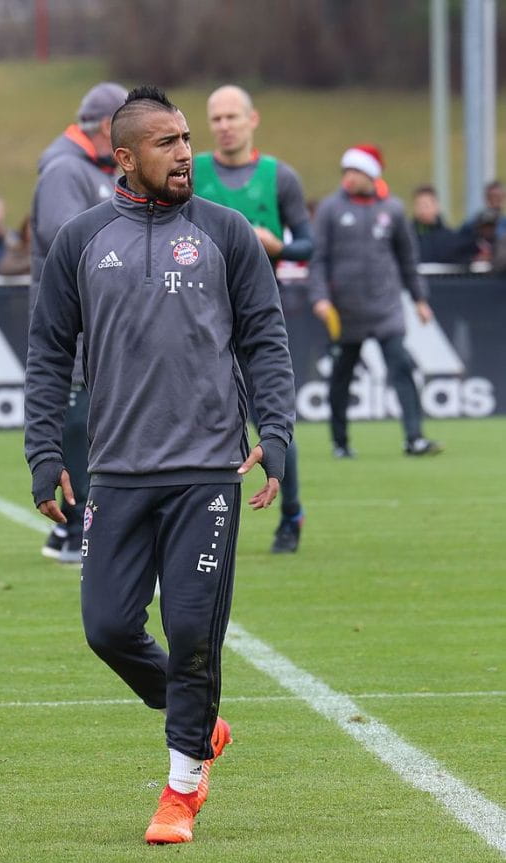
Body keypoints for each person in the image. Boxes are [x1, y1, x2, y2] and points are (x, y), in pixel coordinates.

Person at [24, 86, 295, 844]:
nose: (186, 153)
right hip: (116, 471)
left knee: (192, 629)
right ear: (124, 157)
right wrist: (45, 453)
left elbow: (265, 338)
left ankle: (180, 790)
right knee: (108, 628)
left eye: (187, 139)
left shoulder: (227, 232)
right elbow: (48, 353)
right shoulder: (80, 241)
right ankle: (200, 721)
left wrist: (275, 430)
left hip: (207, 470)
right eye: (169, 142)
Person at [194, 84, 313, 554]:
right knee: (202, 421)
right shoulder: (193, 171)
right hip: (201, 318)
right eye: (216, 119)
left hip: (261, 316)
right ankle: (198, 521)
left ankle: (290, 514)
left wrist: (279, 246)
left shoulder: (279, 177)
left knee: (273, 420)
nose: (224, 126)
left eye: (232, 117)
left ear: (252, 120)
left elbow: (309, 243)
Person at [30, 81, 128, 564]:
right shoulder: (66, 169)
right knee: (74, 418)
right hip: (73, 321)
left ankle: (75, 530)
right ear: (109, 125)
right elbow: (65, 239)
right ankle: (72, 527)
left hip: (95, 318)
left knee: (91, 418)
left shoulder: (91, 167)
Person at [309, 144, 443, 458]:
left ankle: (414, 438)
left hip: (387, 309)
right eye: (346, 171)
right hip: (346, 312)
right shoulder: (331, 209)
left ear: (371, 174)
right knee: (342, 376)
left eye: (355, 171)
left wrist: (420, 298)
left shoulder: (393, 209)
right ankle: (340, 443)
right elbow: (319, 259)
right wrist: (320, 298)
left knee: (401, 367)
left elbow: (407, 259)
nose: (349, 177)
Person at [411, 185, 474, 265]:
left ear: (436, 206)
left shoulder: (449, 238)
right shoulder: (407, 237)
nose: (422, 209)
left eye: (426, 205)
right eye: (419, 205)